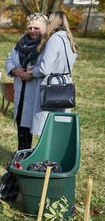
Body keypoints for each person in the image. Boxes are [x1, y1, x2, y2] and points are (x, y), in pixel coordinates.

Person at [19, 11, 78, 136]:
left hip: (51, 87)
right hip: (64, 84)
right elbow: (59, 63)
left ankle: (45, 153)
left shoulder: (54, 40)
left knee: (47, 125)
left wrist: (33, 71)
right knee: (58, 126)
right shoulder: (68, 39)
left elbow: (45, 69)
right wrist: (37, 66)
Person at [5, 13, 46, 150]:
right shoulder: (21, 42)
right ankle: (23, 155)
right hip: (21, 92)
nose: (32, 31)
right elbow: (9, 59)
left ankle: (41, 159)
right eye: (30, 28)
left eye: (36, 28)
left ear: (45, 28)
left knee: (41, 128)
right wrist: (16, 70)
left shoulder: (47, 44)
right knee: (22, 126)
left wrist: (31, 73)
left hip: (37, 93)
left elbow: (46, 66)